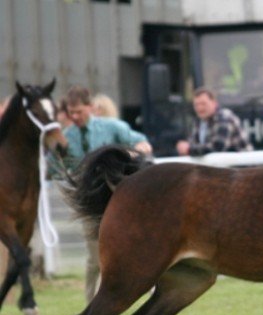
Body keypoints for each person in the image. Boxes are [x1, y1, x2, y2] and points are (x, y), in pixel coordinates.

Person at [61, 85, 153, 303]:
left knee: (138, 245)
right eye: (70, 113)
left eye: (79, 112)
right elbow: (60, 165)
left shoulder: (113, 127)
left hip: (120, 199)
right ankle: (90, 304)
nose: (74, 117)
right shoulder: (67, 136)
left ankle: (150, 292)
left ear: (91, 108)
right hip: (92, 202)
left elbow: (142, 143)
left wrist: (136, 150)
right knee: (95, 258)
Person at [175, 87, 252, 156]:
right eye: (196, 105)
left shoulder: (224, 117)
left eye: (203, 104)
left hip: (241, 168)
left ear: (214, 103)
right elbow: (194, 144)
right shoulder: (198, 121)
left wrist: (189, 149)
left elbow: (217, 147)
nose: (200, 108)